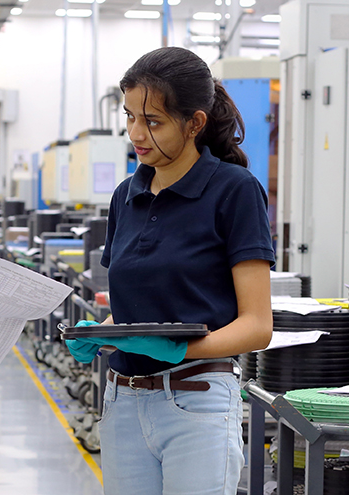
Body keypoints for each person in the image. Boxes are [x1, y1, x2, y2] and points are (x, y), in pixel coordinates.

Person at [66, 47, 274, 495]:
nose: (136, 134)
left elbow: (257, 326)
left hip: (195, 401)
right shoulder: (126, 195)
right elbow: (132, 314)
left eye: (153, 122)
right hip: (122, 401)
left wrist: (181, 352)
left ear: (194, 123)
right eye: (130, 118)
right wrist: (100, 333)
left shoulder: (235, 192)